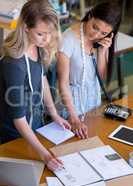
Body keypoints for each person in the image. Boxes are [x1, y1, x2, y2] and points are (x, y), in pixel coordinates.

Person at [0, 0, 71, 171]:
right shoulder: (14, 64)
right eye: (41, 34)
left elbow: (42, 79)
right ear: (25, 28)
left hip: (35, 126)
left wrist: (54, 114)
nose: (46, 39)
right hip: (15, 135)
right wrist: (44, 154)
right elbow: (19, 119)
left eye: (49, 33)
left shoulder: (37, 46)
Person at [57, 1, 122, 139]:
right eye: (95, 27)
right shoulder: (68, 39)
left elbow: (100, 77)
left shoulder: (101, 42)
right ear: (90, 15)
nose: (96, 34)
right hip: (72, 105)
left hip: (93, 101)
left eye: (104, 32)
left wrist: (103, 51)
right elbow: (63, 83)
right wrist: (74, 118)